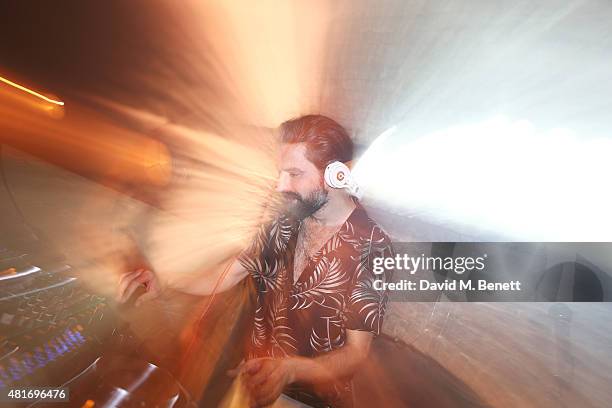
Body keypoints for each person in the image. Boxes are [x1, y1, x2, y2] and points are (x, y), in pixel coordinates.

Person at [117, 115, 394, 408]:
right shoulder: (284, 220)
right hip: (253, 382)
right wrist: (165, 282)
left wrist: (290, 369)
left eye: (294, 174)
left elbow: (356, 353)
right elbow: (230, 273)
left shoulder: (374, 248)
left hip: (311, 400)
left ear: (337, 175)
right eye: (280, 173)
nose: (280, 186)